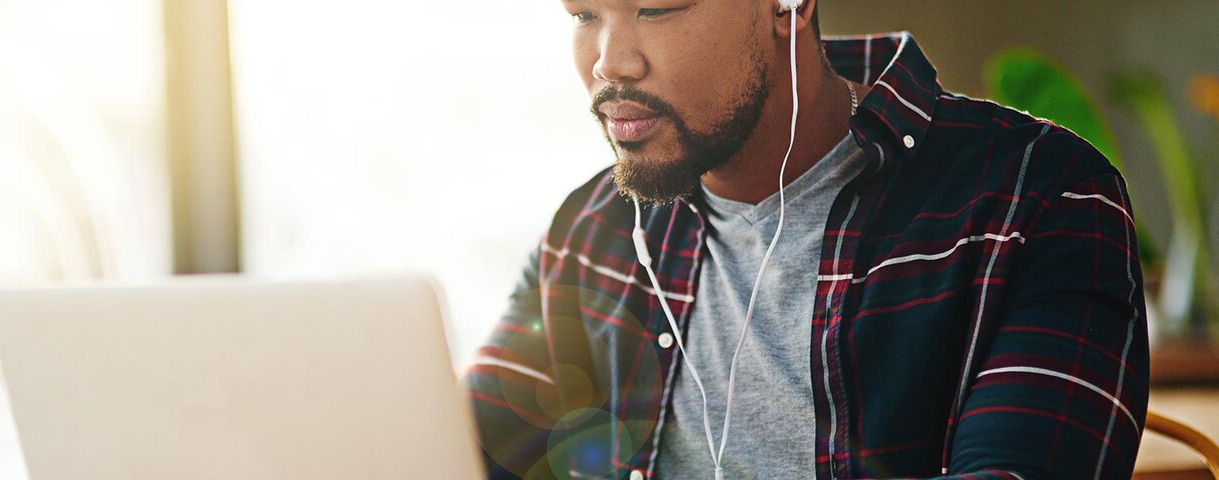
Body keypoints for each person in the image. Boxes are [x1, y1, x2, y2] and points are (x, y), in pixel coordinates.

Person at [464, 0, 1149, 479]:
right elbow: (462, 450)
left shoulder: (1042, 198)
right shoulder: (594, 226)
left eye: (657, 9)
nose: (611, 65)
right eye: (583, 15)